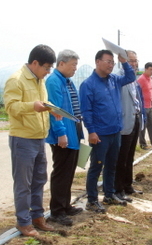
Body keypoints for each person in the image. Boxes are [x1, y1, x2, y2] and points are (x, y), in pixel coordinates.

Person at [4, 44, 57, 237]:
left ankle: (37, 217)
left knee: (39, 180)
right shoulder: (16, 80)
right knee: (23, 183)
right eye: (46, 68)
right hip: (22, 139)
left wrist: (52, 109)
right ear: (35, 63)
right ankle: (23, 222)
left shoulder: (39, 80)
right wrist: (32, 106)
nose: (47, 72)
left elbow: (43, 103)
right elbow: (10, 107)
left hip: (39, 138)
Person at [80, 50, 135, 213]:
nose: (111, 65)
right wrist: (91, 131)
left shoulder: (114, 80)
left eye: (112, 62)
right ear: (97, 62)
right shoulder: (88, 84)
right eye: (108, 61)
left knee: (112, 165)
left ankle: (109, 194)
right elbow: (86, 111)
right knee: (96, 166)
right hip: (100, 134)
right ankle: (91, 200)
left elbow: (131, 77)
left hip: (115, 131)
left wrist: (124, 62)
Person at [45, 49, 84, 227]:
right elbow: (54, 110)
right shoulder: (54, 81)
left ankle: (65, 205)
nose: (75, 68)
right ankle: (57, 211)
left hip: (72, 131)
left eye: (76, 64)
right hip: (64, 134)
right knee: (61, 173)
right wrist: (61, 133)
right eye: (73, 64)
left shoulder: (67, 81)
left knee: (69, 171)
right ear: (61, 64)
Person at [114, 50, 146, 202]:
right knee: (122, 158)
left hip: (135, 119)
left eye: (135, 60)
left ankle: (128, 185)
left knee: (130, 155)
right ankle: (118, 189)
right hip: (124, 122)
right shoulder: (119, 77)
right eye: (131, 60)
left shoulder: (134, 79)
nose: (134, 63)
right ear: (123, 60)